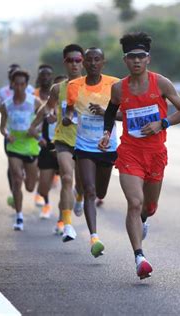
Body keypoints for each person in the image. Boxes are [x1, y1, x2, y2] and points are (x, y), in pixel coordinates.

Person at [99, 32, 180, 279]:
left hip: (156, 153)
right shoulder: (118, 88)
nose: (136, 61)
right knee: (135, 202)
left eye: (141, 56)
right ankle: (139, 257)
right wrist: (107, 134)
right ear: (125, 60)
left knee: (148, 207)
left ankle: (143, 220)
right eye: (132, 57)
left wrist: (162, 124)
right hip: (130, 152)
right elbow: (111, 113)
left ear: (148, 59)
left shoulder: (161, 83)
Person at [65, 47, 119, 258]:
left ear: (103, 62)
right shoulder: (74, 86)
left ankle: (81, 193)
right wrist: (68, 117)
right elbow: (70, 109)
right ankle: (94, 237)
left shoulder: (115, 84)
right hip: (84, 145)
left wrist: (107, 113)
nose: (93, 63)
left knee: (100, 193)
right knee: (90, 190)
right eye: (89, 60)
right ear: (84, 64)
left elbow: (125, 114)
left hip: (107, 146)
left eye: (98, 59)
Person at [29, 44, 84, 239]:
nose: (75, 64)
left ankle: (67, 214)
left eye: (78, 60)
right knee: (55, 183)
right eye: (71, 60)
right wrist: (38, 127)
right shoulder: (57, 90)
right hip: (57, 143)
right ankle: (62, 219)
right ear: (65, 62)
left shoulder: (91, 87)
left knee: (78, 183)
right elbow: (43, 112)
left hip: (84, 142)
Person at [0, 70, 42, 231]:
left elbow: (43, 117)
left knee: (30, 186)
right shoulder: (6, 104)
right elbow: (2, 127)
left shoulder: (34, 102)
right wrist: (7, 135)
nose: (19, 87)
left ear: (26, 85)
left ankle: (28, 177)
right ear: (12, 84)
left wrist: (36, 131)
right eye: (16, 83)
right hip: (14, 145)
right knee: (17, 179)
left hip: (30, 146)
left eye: (22, 84)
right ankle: (19, 217)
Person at [33, 64, 58, 218]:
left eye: (48, 74)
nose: (45, 77)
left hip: (61, 139)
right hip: (40, 137)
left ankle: (65, 216)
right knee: (42, 179)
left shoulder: (58, 93)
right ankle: (44, 195)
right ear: (39, 76)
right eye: (42, 74)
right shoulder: (34, 95)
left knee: (67, 178)